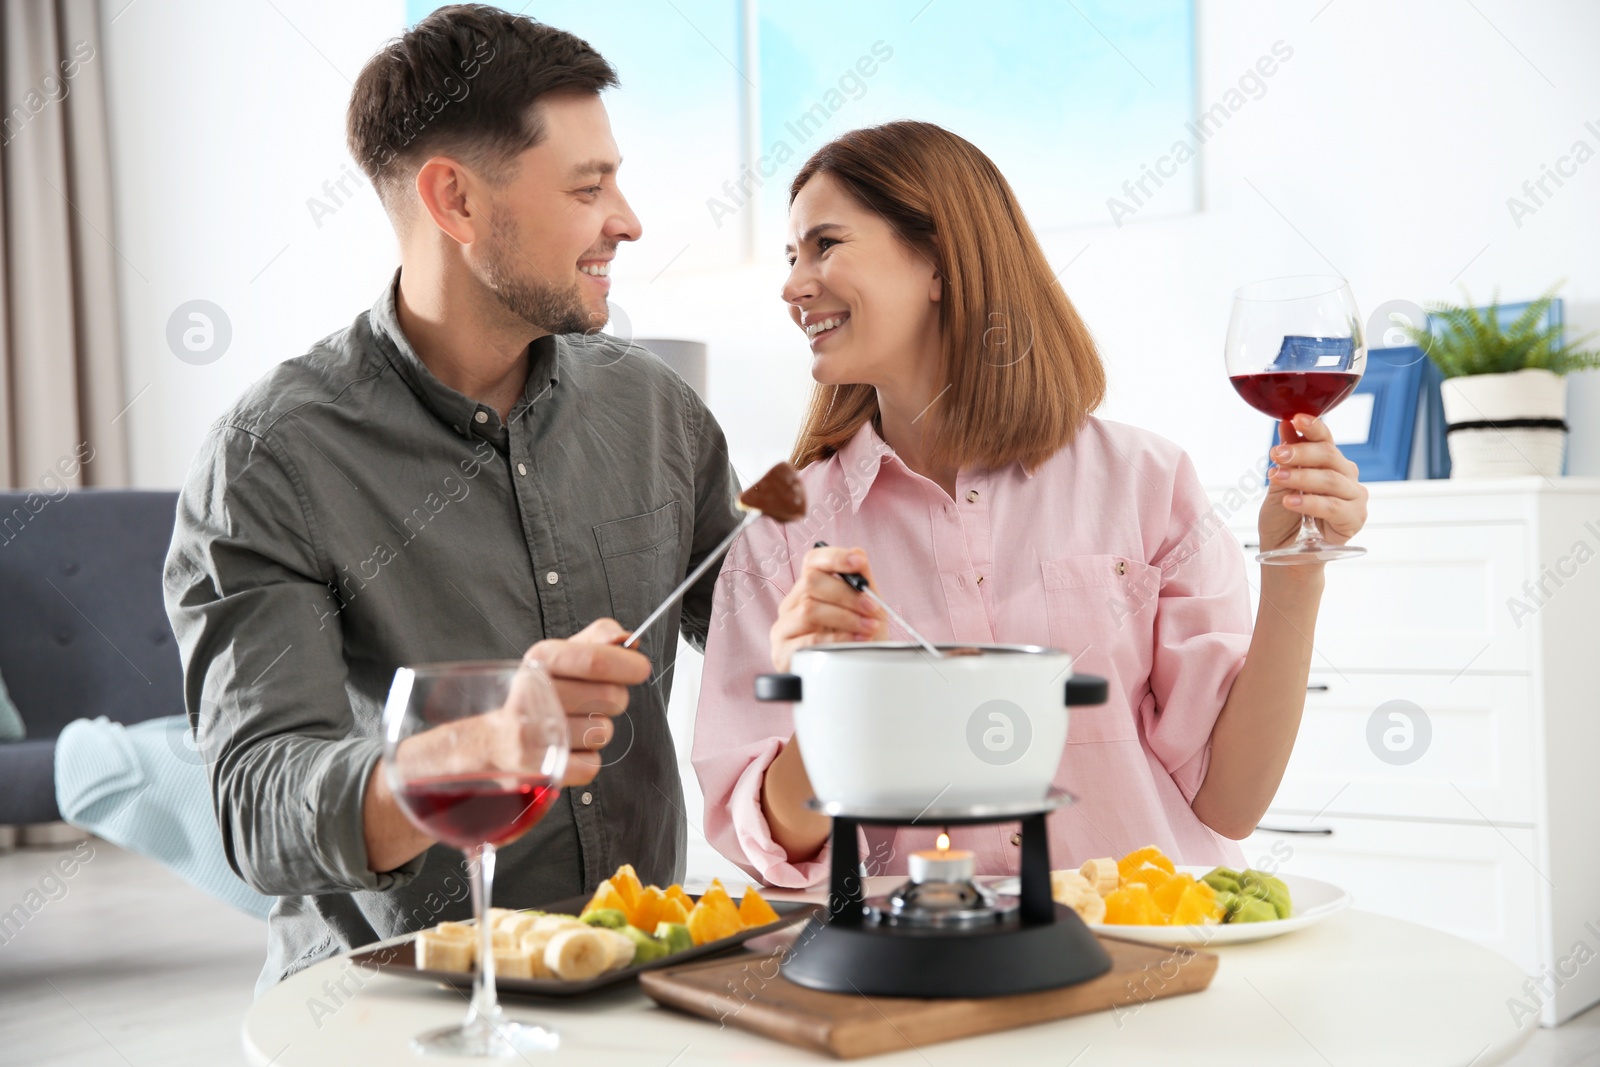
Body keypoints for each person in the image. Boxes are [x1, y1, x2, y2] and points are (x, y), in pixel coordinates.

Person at [164, 5, 740, 993]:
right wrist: (478, 748)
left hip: (639, 980)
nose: (628, 221)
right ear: (456, 200)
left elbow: (756, 639)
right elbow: (257, 806)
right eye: (588, 186)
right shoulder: (271, 458)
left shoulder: (658, 414)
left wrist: (819, 620)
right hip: (391, 1004)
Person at [692, 121, 1369, 887]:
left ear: (940, 262)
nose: (793, 284)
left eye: (825, 245)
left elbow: (1230, 801)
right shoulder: (784, 537)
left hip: (1148, 959)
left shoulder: (1146, 481)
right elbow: (773, 852)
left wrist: (1295, 565)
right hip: (925, 977)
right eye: (789, 256)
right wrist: (833, 699)